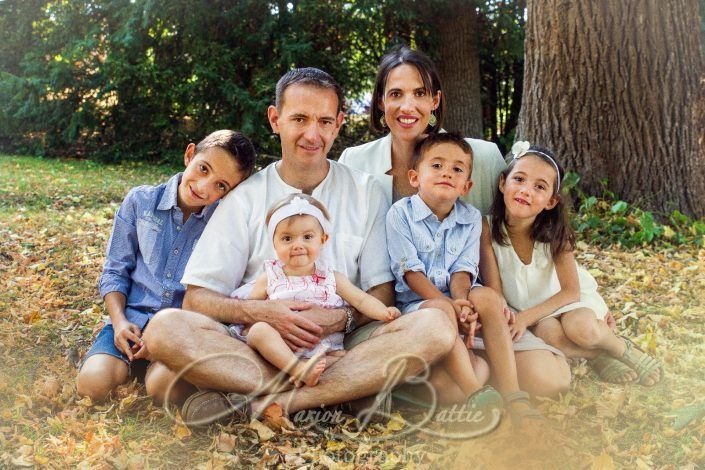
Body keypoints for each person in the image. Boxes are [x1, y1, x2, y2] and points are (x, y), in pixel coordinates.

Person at [142, 68, 458, 427]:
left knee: (435, 327)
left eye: (325, 121)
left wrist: (340, 317)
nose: (313, 134)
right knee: (164, 328)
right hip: (259, 347)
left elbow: (381, 291)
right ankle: (343, 392)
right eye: (299, 119)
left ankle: (277, 401)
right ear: (275, 119)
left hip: (343, 344)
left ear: (338, 124)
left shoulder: (366, 191)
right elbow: (197, 299)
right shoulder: (245, 198)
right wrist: (263, 314)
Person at [339, 45, 570, 408]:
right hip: (400, 312)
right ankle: (451, 379)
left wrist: (575, 304)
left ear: (435, 101)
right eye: (395, 94)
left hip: (475, 305)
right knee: (452, 385)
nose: (407, 106)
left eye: (419, 94)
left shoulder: (481, 157)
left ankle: (482, 376)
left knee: (550, 378)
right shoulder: (354, 162)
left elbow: (528, 231)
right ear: (380, 103)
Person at [76, 130, 257, 404]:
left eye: (221, 185)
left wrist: (164, 342)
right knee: (92, 385)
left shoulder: (222, 225)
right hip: (130, 321)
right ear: (189, 155)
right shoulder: (140, 202)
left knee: (163, 391)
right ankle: (113, 359)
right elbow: (115, 271)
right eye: (203, 169)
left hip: (179, 333)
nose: (204, 187)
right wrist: (119, 322)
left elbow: (217, 293)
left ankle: (171, 377)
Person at [480, 141, 662, 386]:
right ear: (503, 182)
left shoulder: (554, 234)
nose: (526, 191)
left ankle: (620, 348)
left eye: (539, 187)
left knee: (582, 329)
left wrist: (525, 318)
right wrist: (519, 318)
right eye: (519, 179)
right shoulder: (486, 228)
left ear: (551, 202)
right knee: (551, 336)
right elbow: (495, 291)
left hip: (566, 300)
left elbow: (571, 291)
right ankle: (598, 356)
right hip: (534, 311)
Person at [386, 132, 504, 433]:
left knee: (488, 305)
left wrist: (461, 301)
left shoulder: (471, 218)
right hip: (418, 305)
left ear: (467, 185)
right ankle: (476, 394)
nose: (446, 173)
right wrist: (449, 306)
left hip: (453, 297)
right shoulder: (400, 214)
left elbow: (463, 270)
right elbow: (410, 272)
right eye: (436, 166)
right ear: (415, 177)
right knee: (442, 313)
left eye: (457, 169)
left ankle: (511, 392)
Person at [231, 194, 400, 388]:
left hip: (323, 349)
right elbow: (252, 311)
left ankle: (304, 373)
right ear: (275, 244)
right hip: (281, 348)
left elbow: (361, 300)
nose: (298, 245)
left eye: (307, 237)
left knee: (347, 358)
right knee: (259, 331)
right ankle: (297, 369)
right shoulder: (270, 277)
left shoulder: (332, 277)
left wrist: (383, 312)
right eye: (287, 238)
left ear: (323, 239)